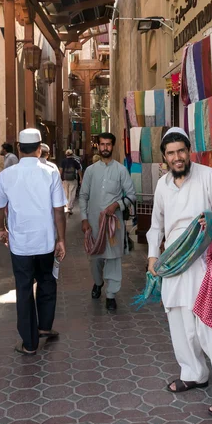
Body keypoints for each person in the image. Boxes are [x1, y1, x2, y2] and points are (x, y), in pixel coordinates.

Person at [146, 127, 212, 416]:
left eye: (181, 151)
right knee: (179, 323)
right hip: (174, 262)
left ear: (189, 152)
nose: (177, 157)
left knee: (209, 327)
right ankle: (194, 373)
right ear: (164, 157)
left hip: (204, 261)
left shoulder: (208, 176)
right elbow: (156, 225)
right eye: (171, 153)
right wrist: (153, 257)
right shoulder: (163, 185)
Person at [0, 128, 67, 355]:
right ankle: (44, 327)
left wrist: (1, 228)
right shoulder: (51, 172)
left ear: (18, 147)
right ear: (39, 147)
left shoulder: (6, 175)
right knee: (47, 283)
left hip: (20, 245)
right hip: (45, 242)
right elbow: (59, 210)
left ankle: (30, 344)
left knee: (24, 290)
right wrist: (61, 239)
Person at [79, 132, 136, 311]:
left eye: (108, 144)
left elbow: (132, 195)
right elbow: (83, 196)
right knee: (95, 259)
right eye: (102, 144)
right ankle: (98, 283)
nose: (105, 147)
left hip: (114, 225)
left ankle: (111, 295)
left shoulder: (120, 170)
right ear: (98, 146)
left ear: (113, 146)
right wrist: (84, 219)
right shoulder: (90, 171)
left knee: (113, 259)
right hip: (95, 224)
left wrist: (117, 205)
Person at [59, 149, 82, 215]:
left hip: (65, 179)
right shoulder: (75, 161)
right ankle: (69, 207)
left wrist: (59, 178)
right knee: (72, 193)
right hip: (73, 179)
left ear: (66, 155)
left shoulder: (63, 161)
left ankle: (67, 206)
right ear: (72, 154)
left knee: (66, 193)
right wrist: (81, 178)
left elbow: (60, 170)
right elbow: (79, 170)